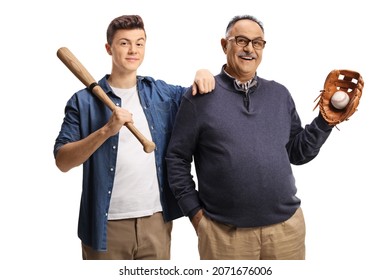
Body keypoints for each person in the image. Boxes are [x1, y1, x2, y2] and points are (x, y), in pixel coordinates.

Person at [165, 15, 334, 260]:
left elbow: (297, 153)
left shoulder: (279, 94)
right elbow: (176, 159)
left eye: (257, 43)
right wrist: (195, 214)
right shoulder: (199, 97)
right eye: (241, 40)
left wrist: (324, 122)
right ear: (225, 45)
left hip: (286, 231)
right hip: (224, 235)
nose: (249, 49)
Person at [53, 15, 214, 260]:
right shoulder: (82, 101)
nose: (133, 50)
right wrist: (106, 130)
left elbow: (199, 97)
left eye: (139, 43)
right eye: (124, 43)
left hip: (156, 222)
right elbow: (62, 161)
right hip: (105, 225)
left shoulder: (163, 94)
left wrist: (203, 72)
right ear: (109, 48)